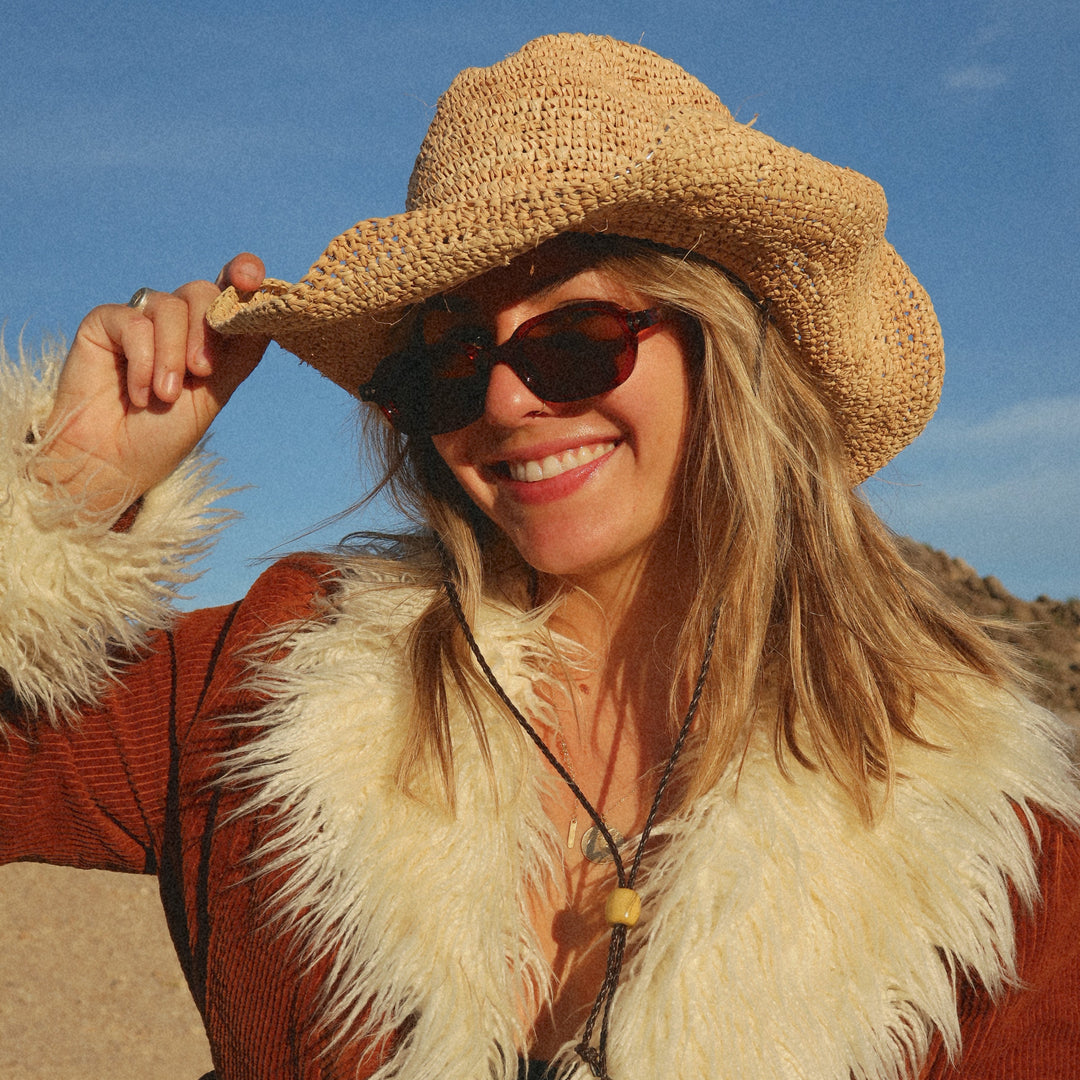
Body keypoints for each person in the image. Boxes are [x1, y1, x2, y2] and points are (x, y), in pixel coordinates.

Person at [1, 32, 1078, 1080]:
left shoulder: (982, 850)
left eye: (574, 338)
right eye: (453, 362)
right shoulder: (271, 682)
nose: (508, 402)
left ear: (728, 357)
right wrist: (71, 486)